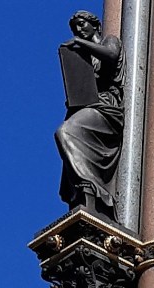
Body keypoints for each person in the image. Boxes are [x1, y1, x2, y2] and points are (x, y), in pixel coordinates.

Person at [55, 10, 125, 220]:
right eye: (75, 27)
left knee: (65, 132)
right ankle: (86, 190)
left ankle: (92, 187)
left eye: (82, 24)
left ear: (96, 26)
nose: (79, 29)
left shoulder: (110, 41)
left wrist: (80, 43)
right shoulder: (84, 56)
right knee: (65, 135)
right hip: (88, 106)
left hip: (106, 107)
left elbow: (111, 55)